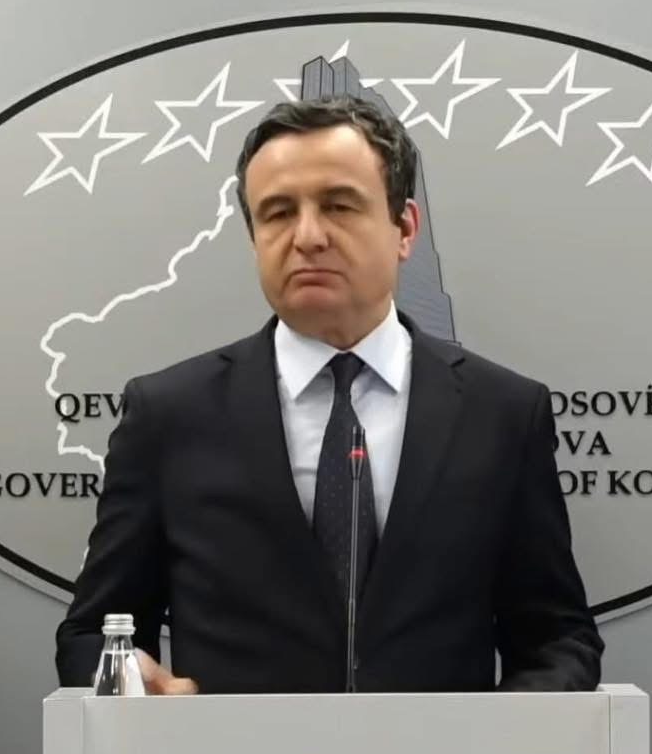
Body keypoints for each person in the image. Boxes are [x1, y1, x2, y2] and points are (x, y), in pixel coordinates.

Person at [55, 95, 602, 695]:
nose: (308, 236)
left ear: (405, 228)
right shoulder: (169, 416)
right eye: (278, 213)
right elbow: (91, 635)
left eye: (339, 206)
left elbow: (557, 639)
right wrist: (133, 681)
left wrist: (507, 727)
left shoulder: (501, 414)